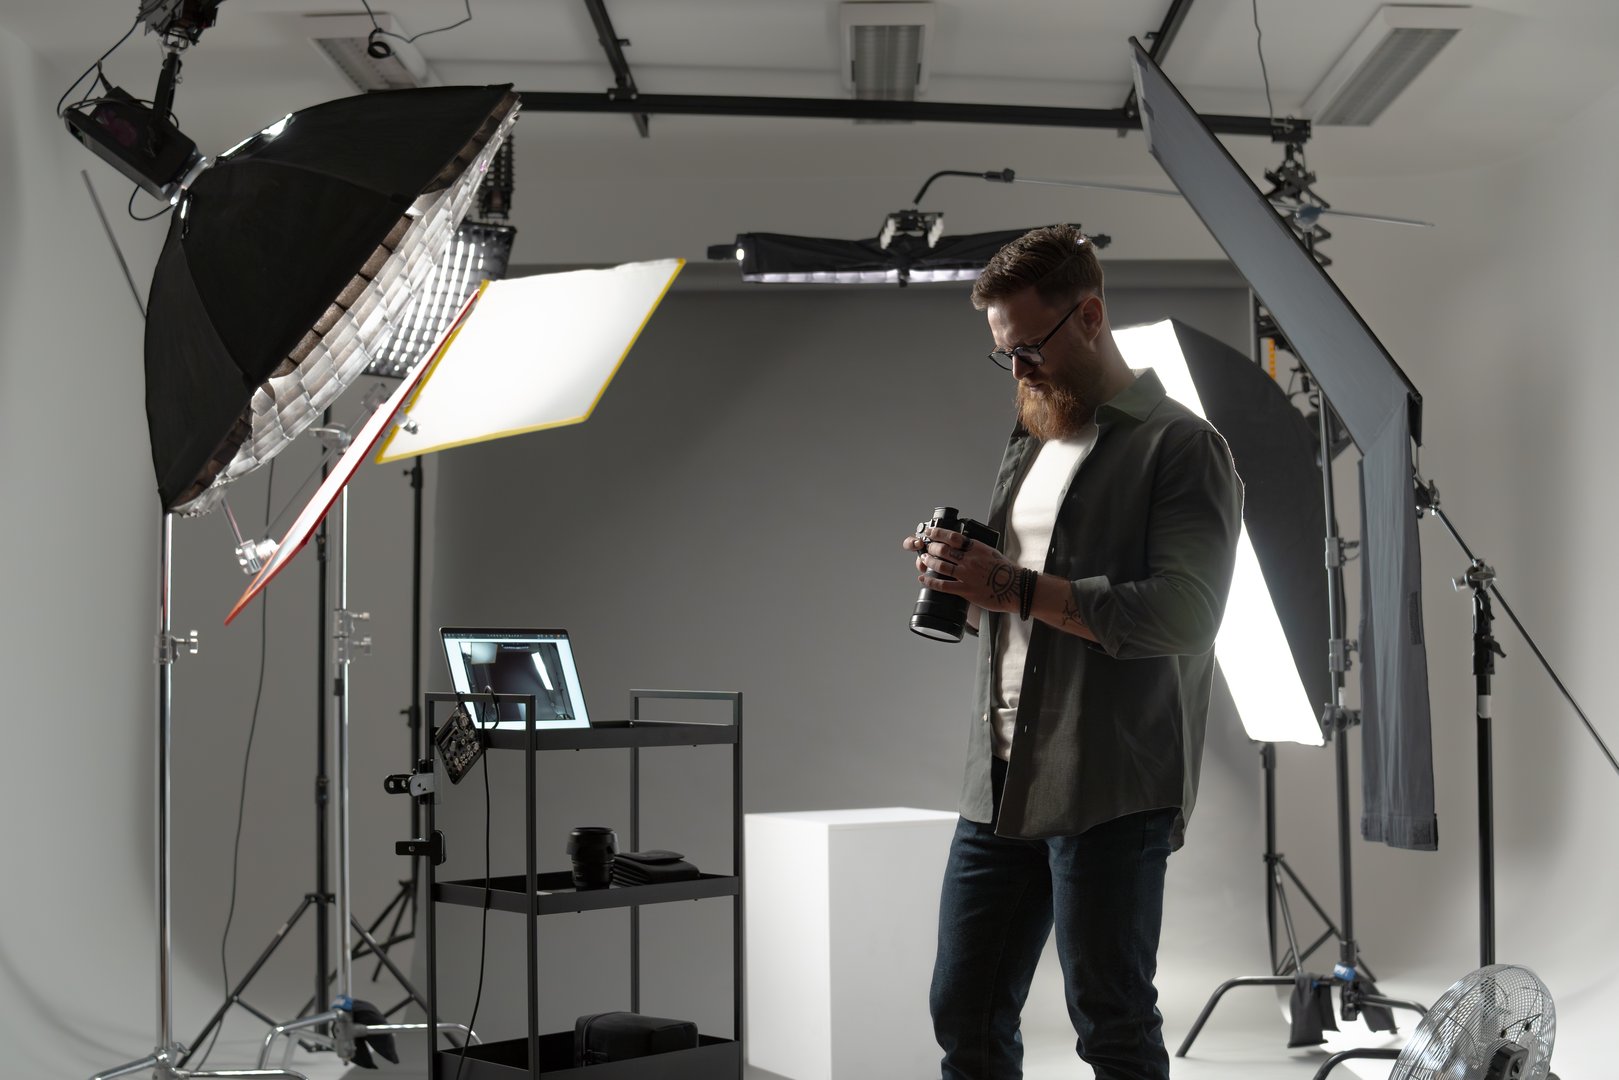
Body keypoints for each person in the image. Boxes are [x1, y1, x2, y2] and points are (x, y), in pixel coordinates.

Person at [901, 224, 1243, 1080]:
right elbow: (1023, 608)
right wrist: (963, 583)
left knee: (1110, 1023)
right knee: (963, 1011)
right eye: (1003, 355)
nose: (1018, 371)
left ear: (1088, 316)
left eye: (1028, 348)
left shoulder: (1182, 447)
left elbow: (1187, 616)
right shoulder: (1031, 439)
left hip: (1109, 783)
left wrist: (1012, 587)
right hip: (999, 778)